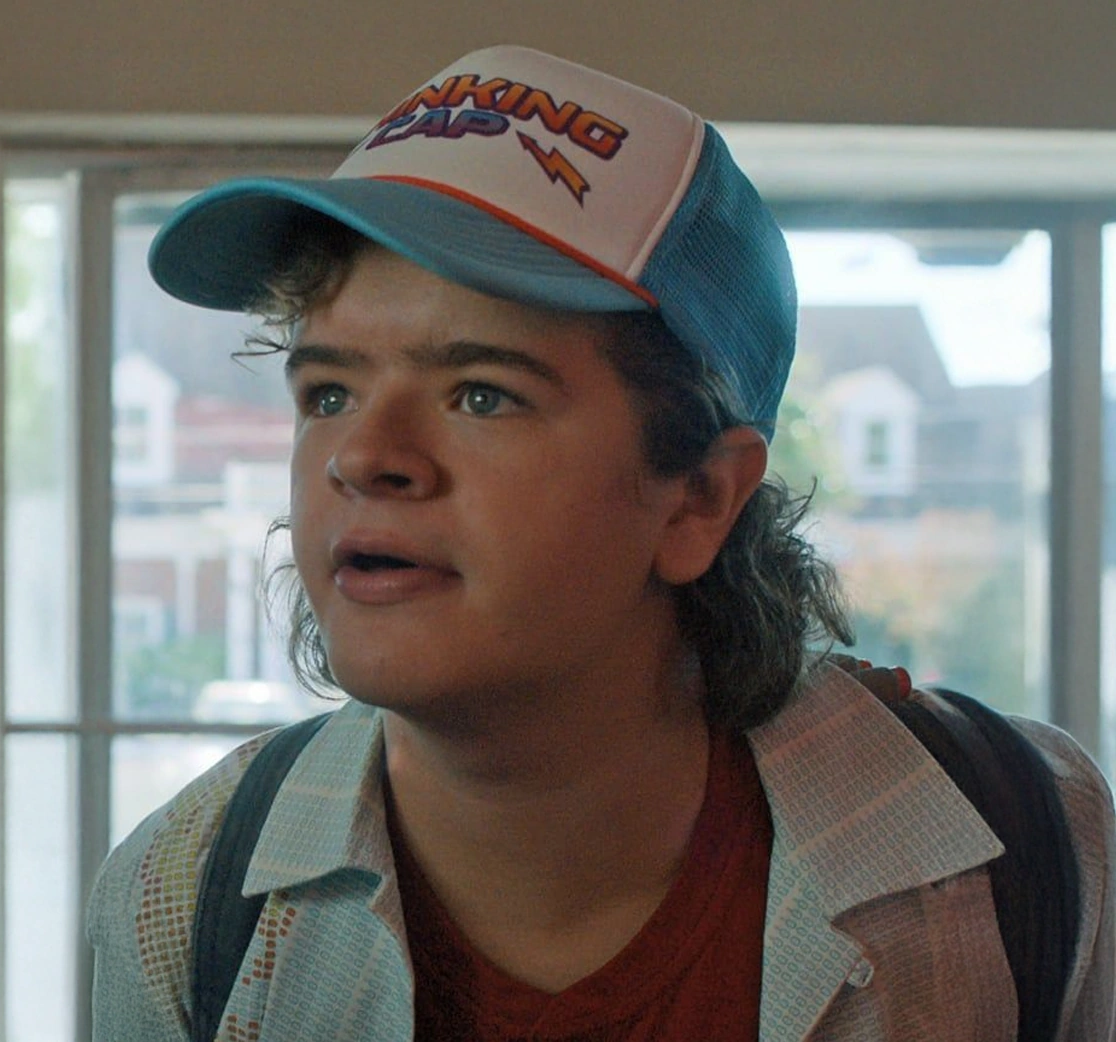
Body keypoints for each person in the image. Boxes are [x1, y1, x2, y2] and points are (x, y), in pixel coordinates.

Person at [87, 45, 1115, 1041]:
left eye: (481, 393)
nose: (362, 456)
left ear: (699, 498)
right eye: (328, 392)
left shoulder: (1034, 853)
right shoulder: (184, 898)